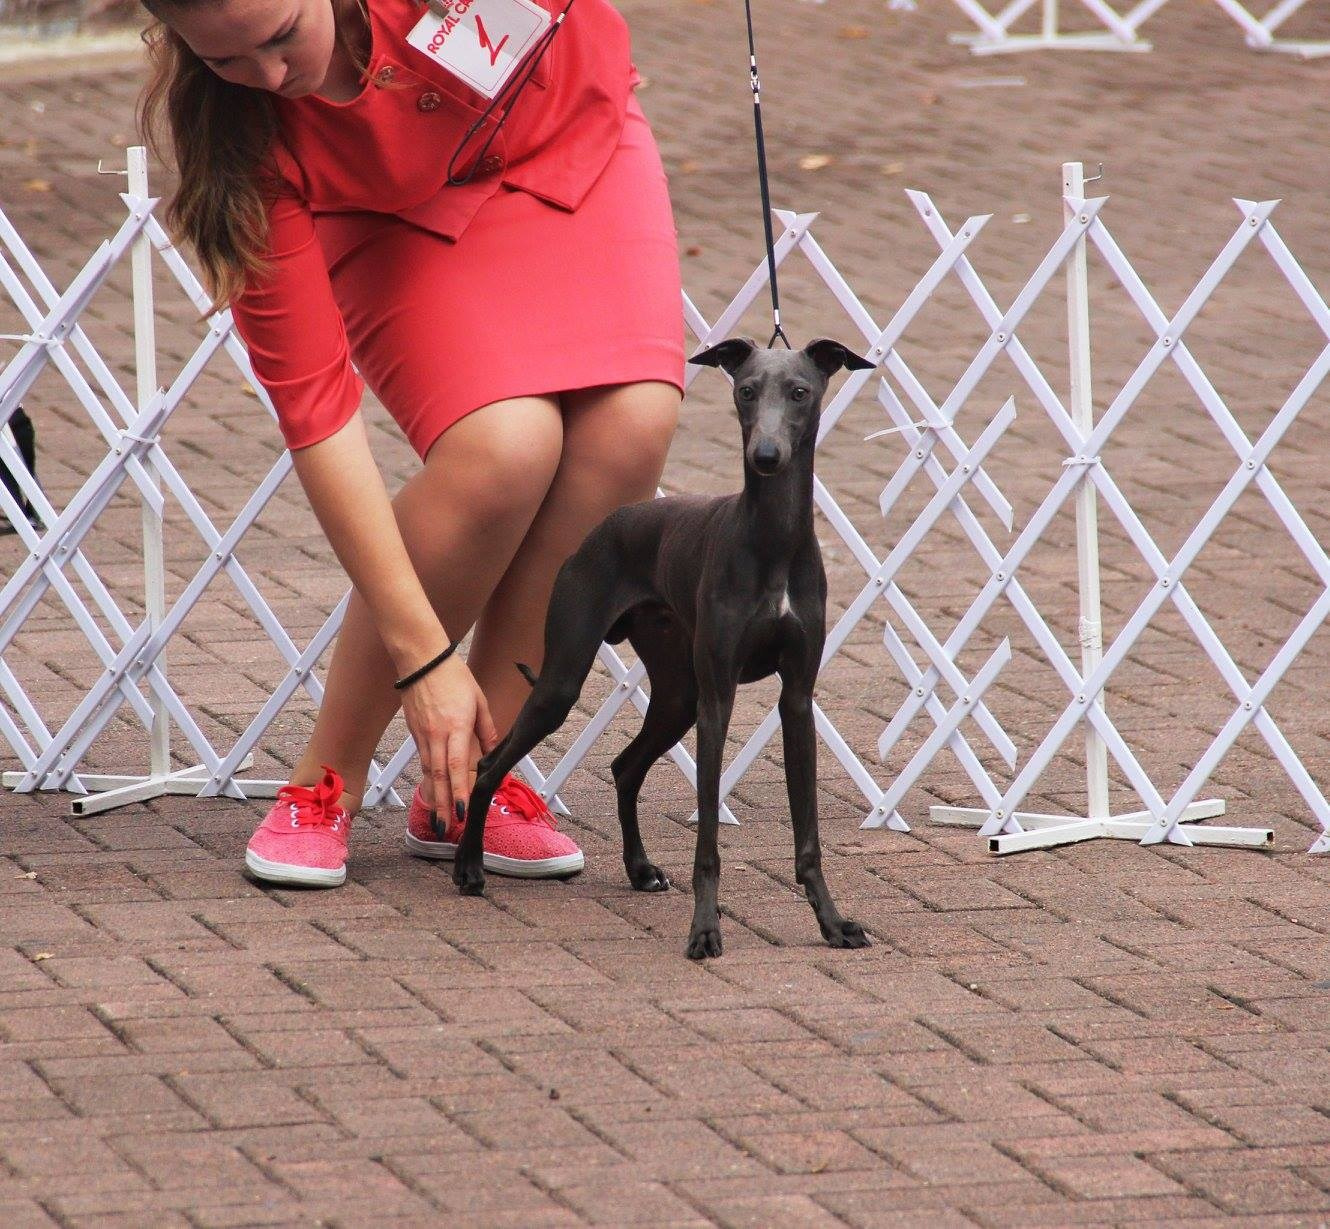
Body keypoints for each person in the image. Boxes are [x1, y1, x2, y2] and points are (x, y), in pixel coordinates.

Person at [137, 0, 685, 886]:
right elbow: (317, 416)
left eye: (281, 37)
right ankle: (325, 780)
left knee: (632, 428)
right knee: (505, 448)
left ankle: (473, 781)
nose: (273, 78)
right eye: (231, 61)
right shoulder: (243, 143)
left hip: (570, 138)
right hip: (383, 210)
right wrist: (422, 657)